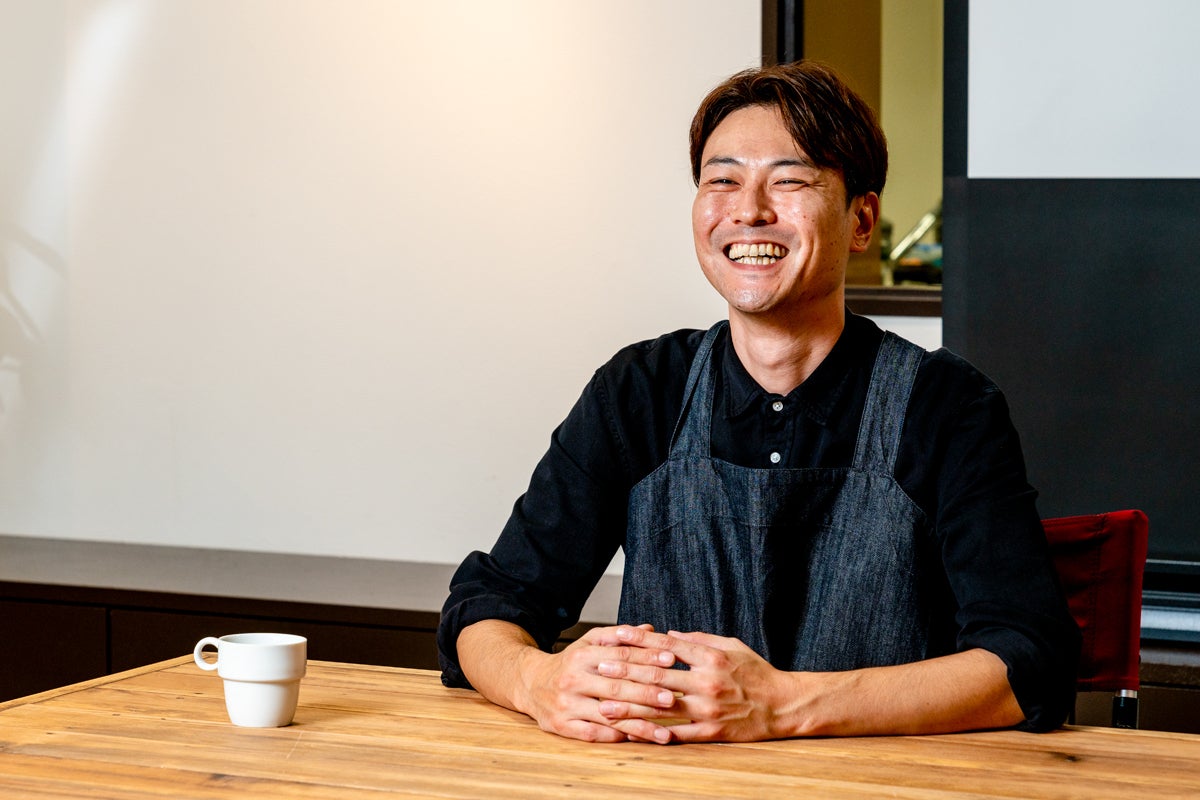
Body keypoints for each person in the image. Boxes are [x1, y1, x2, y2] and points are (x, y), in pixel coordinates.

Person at [436, 61, 1080, 745]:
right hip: (667, 783)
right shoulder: (640, 391)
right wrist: (538, 682)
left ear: (862, 220)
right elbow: (487, 606)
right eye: (722, 180)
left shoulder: (947, 407)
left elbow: (1029, 660)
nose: (748, 210)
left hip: (879, 785)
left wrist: (785, 706)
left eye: (790, 180)